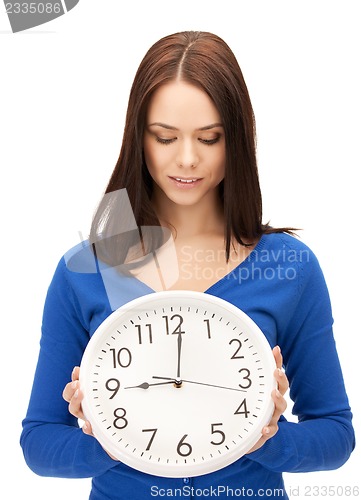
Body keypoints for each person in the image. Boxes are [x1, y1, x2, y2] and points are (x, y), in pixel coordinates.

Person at [20, 31, 355, 500]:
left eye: (209, 138)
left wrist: (270, 436)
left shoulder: (290, 268)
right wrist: (106, 442)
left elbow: (336, 436)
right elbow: (38, 443)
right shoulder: (85, 271)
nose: (187, 159)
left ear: (235, 139)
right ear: (139, 137)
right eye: (165, 137)